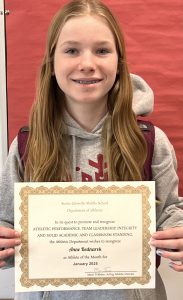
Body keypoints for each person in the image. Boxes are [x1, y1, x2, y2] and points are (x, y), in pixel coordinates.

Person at [0, 0, 183, 299]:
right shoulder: (27, 144)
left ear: (119, 61)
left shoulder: (149, 140)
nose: (87, 63)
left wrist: (177, 237)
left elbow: (169, 215)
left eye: (101, 50)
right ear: (51, 62)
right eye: (71, 50)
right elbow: (8, 222)